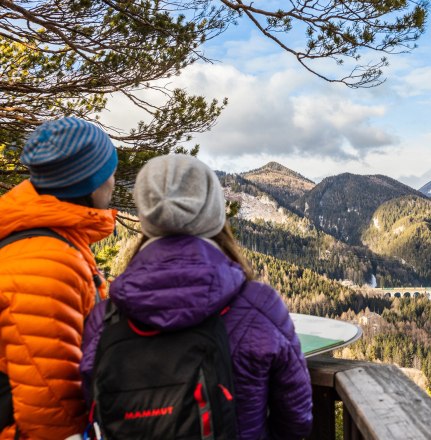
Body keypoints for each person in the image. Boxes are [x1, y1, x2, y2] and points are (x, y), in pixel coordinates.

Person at [80, 154, 313, 439]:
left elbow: (92, 405)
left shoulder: (104, 318)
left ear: (146, 216)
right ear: (214, 214)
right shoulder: (258, 305)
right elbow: (296, 417)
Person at [0, 117, 118, 439]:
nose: (113, 180)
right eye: (109, 170)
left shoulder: (46, 237)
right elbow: (50, 401)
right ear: (90, 183)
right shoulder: (48, 265)